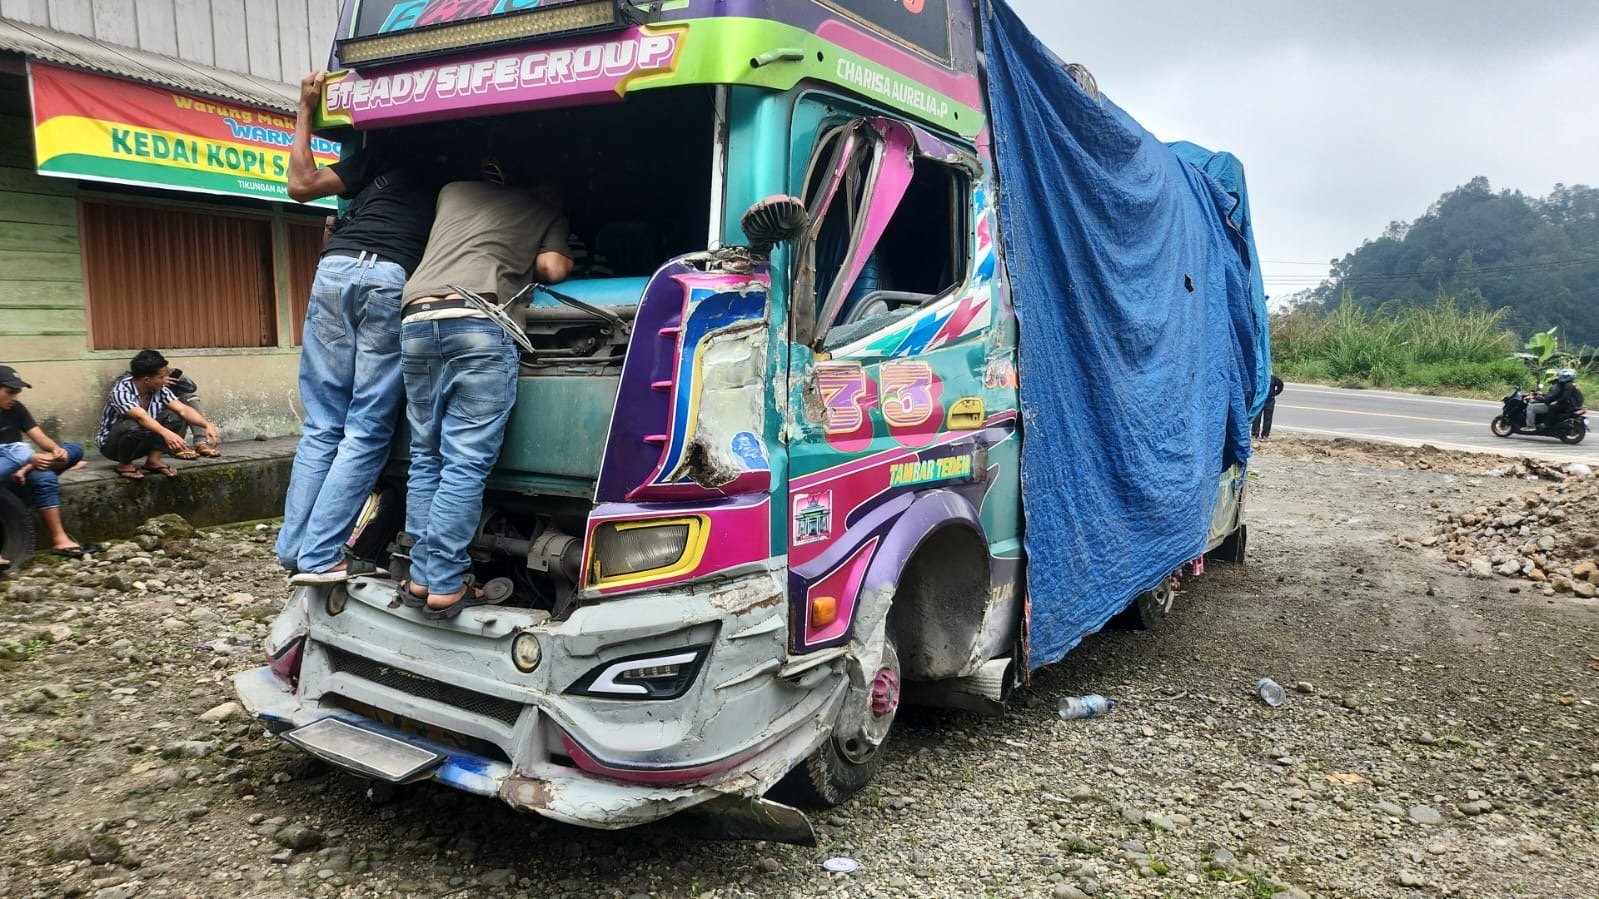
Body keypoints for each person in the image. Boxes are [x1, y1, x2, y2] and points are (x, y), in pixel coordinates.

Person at [279, 69, 442, 583]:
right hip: (389, 276)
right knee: (366, 426)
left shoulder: (377, 162)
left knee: (323, 422)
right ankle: (322, 554)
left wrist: (304, 110)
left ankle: (293, 549)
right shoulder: (453, 181)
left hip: (334, 270)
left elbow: (300, 185)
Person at [396, 163, 572, 617]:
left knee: (426, 455)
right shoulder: (547, 210)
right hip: (477, 320)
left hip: (415, 320)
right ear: (552, 191)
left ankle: (420, 577)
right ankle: (446, 584)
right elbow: (551, 268)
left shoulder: (453, 190)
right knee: (465, 463)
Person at [1, 365, 100, 558]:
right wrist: (28, 459)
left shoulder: (16, 409)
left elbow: (40, 437)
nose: (14, 398)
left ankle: (60, 540)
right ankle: (33, 465)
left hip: (21, 472)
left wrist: (55, 451)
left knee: (73, 450)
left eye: (17, 393)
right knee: (39, 470)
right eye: (10, 392)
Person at [96, 350, 219, 480]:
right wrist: (167, 433)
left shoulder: (158, 389)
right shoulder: (121, 390)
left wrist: (206, 424)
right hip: (113, 447)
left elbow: (183, 409)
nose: (165, 380)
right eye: (161, 377)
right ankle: (124, 465)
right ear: (147, 380)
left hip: (142, 442)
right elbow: (140, 417)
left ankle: (153, 461)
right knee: (133, 424)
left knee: (174, 416)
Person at [1253, 374, 1284, 439]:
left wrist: (1275, 393)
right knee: (1257, 417)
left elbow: (1280, 385)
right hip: (1259, 401)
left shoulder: (1273, 378)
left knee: (1268, 418)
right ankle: (1254, 434)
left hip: (1269, 401)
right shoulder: (1258, 377)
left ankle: (1265, 435)